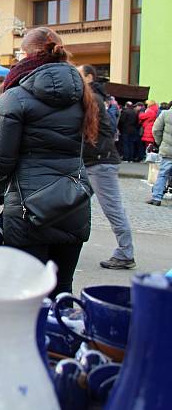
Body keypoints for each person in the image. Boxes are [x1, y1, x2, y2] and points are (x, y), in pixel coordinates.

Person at [0, 27, 99, 297]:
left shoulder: (15, 96)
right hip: (72, 202)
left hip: (28, 208)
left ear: (27, 54)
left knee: (28, 294)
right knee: (63, 291)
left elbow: (0, 163)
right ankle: (64, 338)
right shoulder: (82, 93)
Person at [79, 65, 136, 270]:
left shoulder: (91, 98)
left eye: (79, 75)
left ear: (89, 77)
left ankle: (125, 252)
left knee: (112, 208)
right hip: (95, 160)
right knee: (73, 202)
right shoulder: (94, 97)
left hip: (100, 161)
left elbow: (98, 130)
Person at [148, 106, 172, 206]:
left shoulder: (166, 114)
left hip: (168, 150)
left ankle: (156, 198)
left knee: (163, 174)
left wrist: (160, 143)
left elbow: (156, 130)